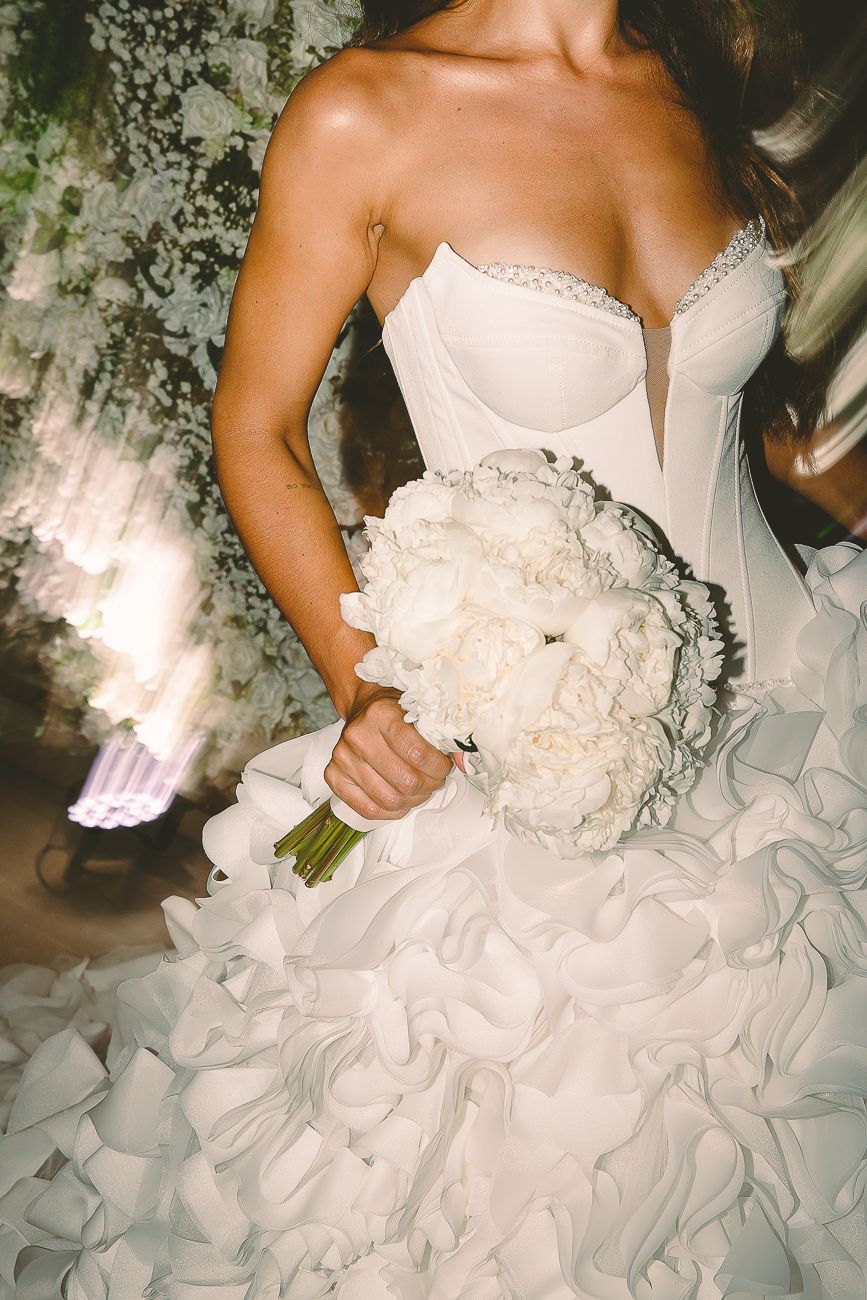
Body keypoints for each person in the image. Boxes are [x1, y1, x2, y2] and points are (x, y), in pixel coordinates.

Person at [3, 1, 867, 1296]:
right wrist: (370, 692)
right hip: (530, 762)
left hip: (809, 726)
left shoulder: (701, 80)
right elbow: (259, 432)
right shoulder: (366, 109)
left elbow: (727, 423)